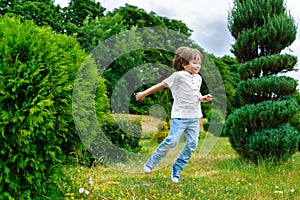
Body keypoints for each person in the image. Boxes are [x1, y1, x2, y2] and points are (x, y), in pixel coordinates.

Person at [135, 46, 212, 183]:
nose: (197, 66)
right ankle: (152, 161)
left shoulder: (198, 78)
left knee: (192, 144)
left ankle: (178, 166)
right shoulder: (178, 76)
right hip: (180, 116)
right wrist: (143, 94)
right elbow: (161, 85)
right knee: (172, 141)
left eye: (199, 63)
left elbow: (196, 92)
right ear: (184, 64)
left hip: (194, 117)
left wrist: (201, 98)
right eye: (194, 63)